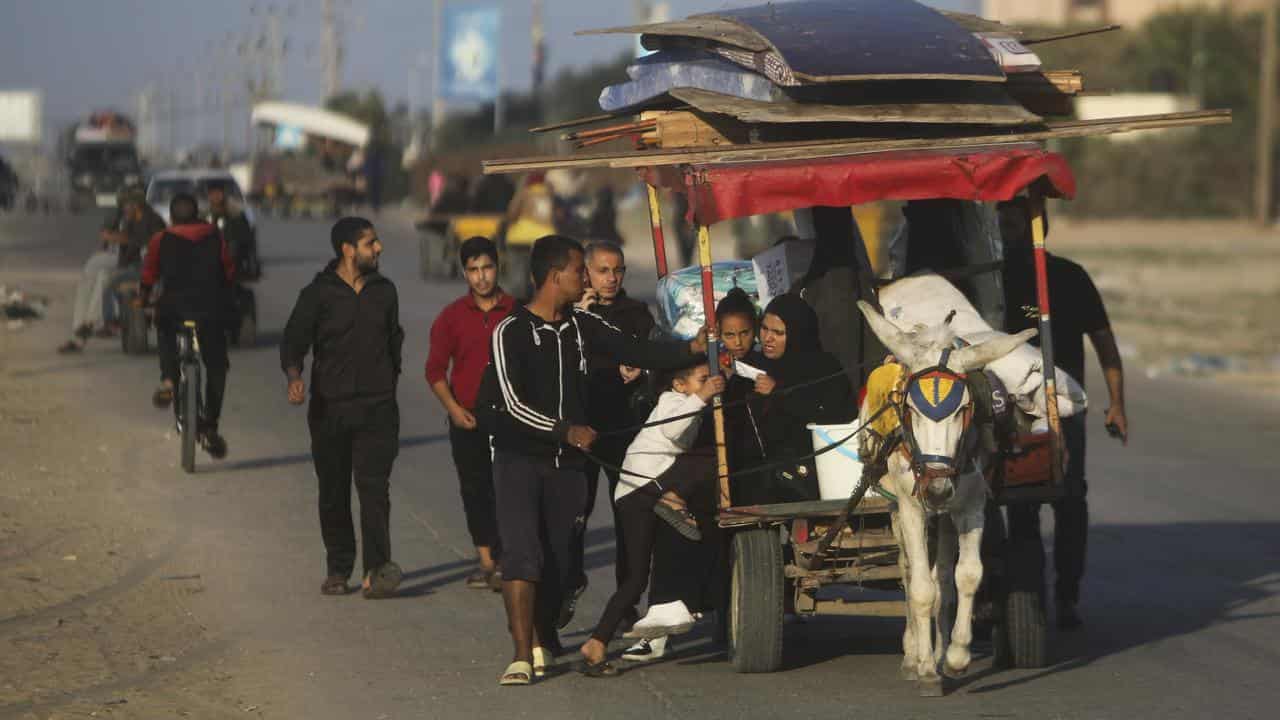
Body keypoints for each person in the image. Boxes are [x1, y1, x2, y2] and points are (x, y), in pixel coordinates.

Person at [483, 234, 705, 686]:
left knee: (563, 563)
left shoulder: (583, 326)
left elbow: (636, 350)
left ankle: (544, 634)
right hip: (520, 460)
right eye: (579, 269)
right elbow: (511, 403)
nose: (586, 278)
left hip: (571, 465)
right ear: (554, 275)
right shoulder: (511, 331)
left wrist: (690, 351)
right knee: (524, 554)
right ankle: (522, 655)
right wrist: (565, 429)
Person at [998, 197, 1128, 630]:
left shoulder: (1069, 277)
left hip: (1063, 406)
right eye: (1001, 217)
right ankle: (1021, 592)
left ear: (1037, 226)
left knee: (1070, 498)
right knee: (1018, 503)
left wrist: (1117, 404)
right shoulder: (992, 278)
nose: (1005, 226)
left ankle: (1067, 593)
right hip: (1012, 409)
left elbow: (1105, 343)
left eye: (1014, 219)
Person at [623, 287, 759, 658]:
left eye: (744, 333)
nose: (738, 342)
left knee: (720, 541)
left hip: (741, 473)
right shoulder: (708, 371)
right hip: (701, 472)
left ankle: (722, 617)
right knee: (674, 533)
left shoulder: (757, 370)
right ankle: (659, 626)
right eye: (729, 335)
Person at [281, 217, 406, 599]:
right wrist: (294, 377)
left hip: (377, 409)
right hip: (329, 409)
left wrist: (387, 383)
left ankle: (377, 570)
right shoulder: (317, 294)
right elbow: (293, 341)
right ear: (348, 250)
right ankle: (338, 567)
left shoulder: (385, 291)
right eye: (371, 243)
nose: (379, 248)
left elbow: (394, 343)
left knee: (374, 491)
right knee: (333, 490)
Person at [578, 360, 725, 677]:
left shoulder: (690, 406)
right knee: (708, 461)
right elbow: (674, 429)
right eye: (701, 380)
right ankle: (673, 499)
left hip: (642, 490)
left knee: (635, 580)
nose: (708, 384)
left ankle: (596, 642)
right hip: (640, 488)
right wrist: (704, 396)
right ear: (680, 385)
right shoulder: (672, 402)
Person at [563, 240, 656, 630]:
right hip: (581, 429)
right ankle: (569, 583)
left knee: (627, 516)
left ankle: (626, 599)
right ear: (586, 273)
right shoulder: (569, 314)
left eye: (617, 270)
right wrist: (579, 313)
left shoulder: (635, 314)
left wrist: (641, 370)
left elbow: (655, 355)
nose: (611, 278)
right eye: (603, 270)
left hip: (623, 428)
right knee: (573, 515)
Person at [425, 236, 515, 590]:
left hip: (510, 418)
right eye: (474, 270)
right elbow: (434, 371)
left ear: (498, 267)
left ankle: (512, 557)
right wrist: (454, 410)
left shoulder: (516, 311)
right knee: (475, 489)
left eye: (487, 268)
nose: (481, 277)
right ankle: (487, 561)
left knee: (510, 489)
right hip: (468, 418)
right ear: (465, 273)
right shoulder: (451, 317)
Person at [140, 193, 233, 458]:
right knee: (216, 365)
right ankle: (211, 425)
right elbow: (229, 271)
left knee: (165, 331)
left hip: (174, 308)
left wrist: (142, 298)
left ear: (171, 216)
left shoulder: (161, 239)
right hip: (210, 310)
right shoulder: (215, 235)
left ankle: (169, 380)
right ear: (197, 213)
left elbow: (148, 275)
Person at [742, 293, 858, 506]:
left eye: (778, 333)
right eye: (765, 328)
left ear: (797, 334)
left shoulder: (824, 367)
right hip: (764, 476)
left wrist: (779, 393)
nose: (767, 338)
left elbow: (834, 416)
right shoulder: (757, 365)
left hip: (815, 474)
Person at [58, 191, 161, 353]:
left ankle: (92, 322)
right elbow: (123, 241)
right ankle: (82, 329)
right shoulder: (130, 218)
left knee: (105, 277)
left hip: (144, 269)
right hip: (128, 264)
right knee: (94, 273)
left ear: (137, 204)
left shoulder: (151, 220)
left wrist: (117, 239)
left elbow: (139, 244)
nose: (125, 208)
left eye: (127, 204)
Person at [206, 181, 259, 281]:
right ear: (209, 196)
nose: (216, 196)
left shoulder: (235, 211)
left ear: (224, 194)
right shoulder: (205, 212)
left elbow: (246, 236)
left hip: (231, 248)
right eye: (213, 194)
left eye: (218, 193)